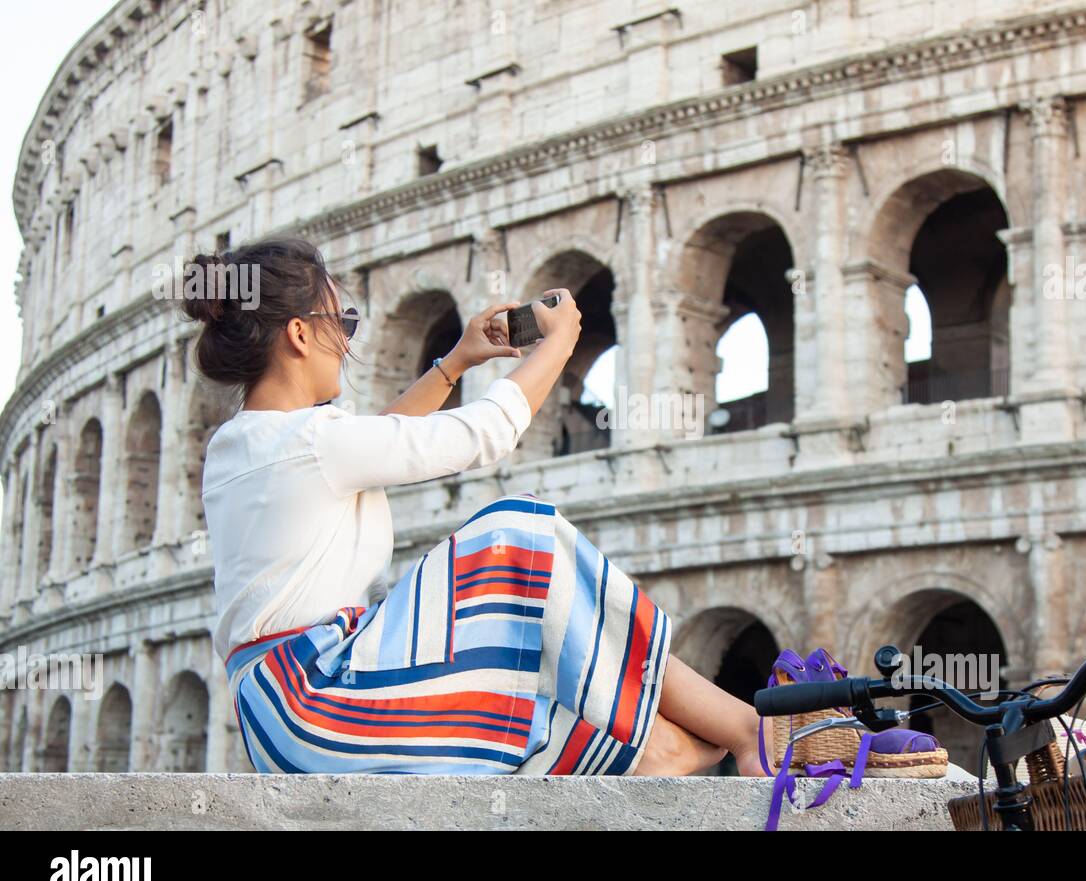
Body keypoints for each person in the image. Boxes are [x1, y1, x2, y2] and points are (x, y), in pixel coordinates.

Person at [185, 237, 766, 776]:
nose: (348, 341)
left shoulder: (245, 444)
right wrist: (560, 342)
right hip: (315, 704)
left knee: (546, 708)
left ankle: (673, 748)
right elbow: (487, 432)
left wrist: (457, 361)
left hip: (275, 720)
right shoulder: (312, 441)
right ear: (300, 334)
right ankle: (745, 730)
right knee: (516, 533)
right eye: (344, 321)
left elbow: (379, 440)